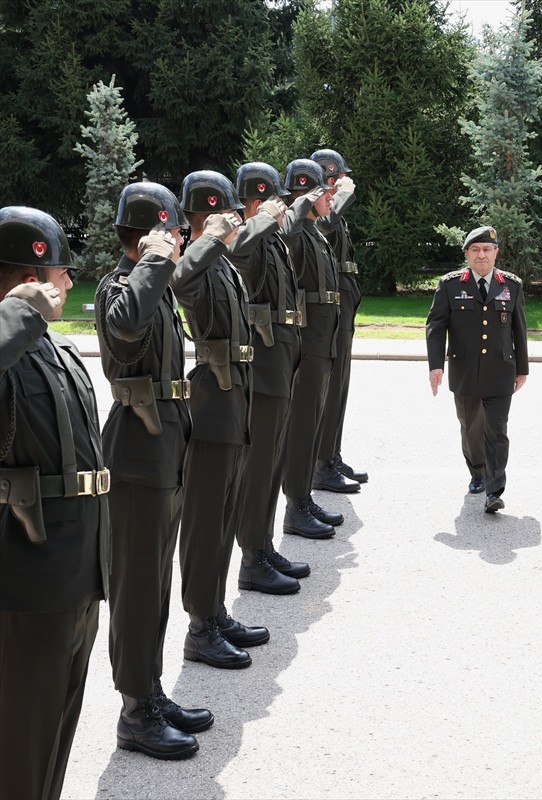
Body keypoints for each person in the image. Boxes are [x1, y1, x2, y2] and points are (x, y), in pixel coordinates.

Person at [95, 182, 210, 759]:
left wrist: (162, 263)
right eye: (170, 231)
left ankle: (151, 690)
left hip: (165, 441)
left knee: (157, 583)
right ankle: (134, 712)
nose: (180, 239)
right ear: (147, 234)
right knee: (138, 587)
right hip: (137, 450)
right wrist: (154, 260)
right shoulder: (123, 285)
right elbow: (125, 327)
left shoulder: (155, 282)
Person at [0, 206, 109, 799]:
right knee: (19, 741)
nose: (66, 284)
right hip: (24, 579)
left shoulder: (52, 348)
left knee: (52, 740)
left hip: (74, 573)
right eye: (53, 274)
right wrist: (17, 312)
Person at [172, 170, 267, 670]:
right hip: (213, 400)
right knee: (206, 520)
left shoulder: (224, 263)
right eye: (222, 215)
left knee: (226, 513)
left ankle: (215, 610)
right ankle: (199, 626)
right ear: (201, 218)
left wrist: (221, 240)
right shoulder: (198, 262)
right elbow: (179, 277)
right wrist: (207, 237)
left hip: (236, 397)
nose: (233, 220)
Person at [228, 162, 309, 594]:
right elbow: (235, 250)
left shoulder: (273, 238)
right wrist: (258, 219)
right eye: (275, 201)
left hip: (281, 359)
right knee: (259, 466)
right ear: (256, 202)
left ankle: (262, 544)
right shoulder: (250, 237)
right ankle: (251, 557)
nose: (284, 208)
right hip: (263, 364)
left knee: (272, 462)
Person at [425, 226, 529, 511]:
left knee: (497, 430)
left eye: (487, 249)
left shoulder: (511, 285)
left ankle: (494, 490)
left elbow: (519, 329)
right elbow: (436, 326)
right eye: (475, 249)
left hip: (500, 371)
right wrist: (435, 366)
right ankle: (477, 472)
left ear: (496, 253)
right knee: (471, 430)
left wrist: (523, 368)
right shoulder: (450, 285)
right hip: (465, 370)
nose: (481, 254)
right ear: (467, 254)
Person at [279, 159, 343, 539]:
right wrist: (302, 202)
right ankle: (295, 505)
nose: (330, 198)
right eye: (325, 192)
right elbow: (283, 235)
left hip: (322, 336)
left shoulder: (314, 231)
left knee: (312, 422)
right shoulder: (296, 231)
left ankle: (303, 497)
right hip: (308, 339)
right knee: (302, 426)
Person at [311, 148, 368, 491]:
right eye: (339, 179)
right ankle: (321, 463)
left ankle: (331, 454)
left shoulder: (329, 211)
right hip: (330, 305)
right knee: (330, 388)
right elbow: (324, 225)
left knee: (340, 385)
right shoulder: (316, 211)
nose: (346, 183)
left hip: (343, 302)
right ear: (329, 180)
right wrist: (341, 197)